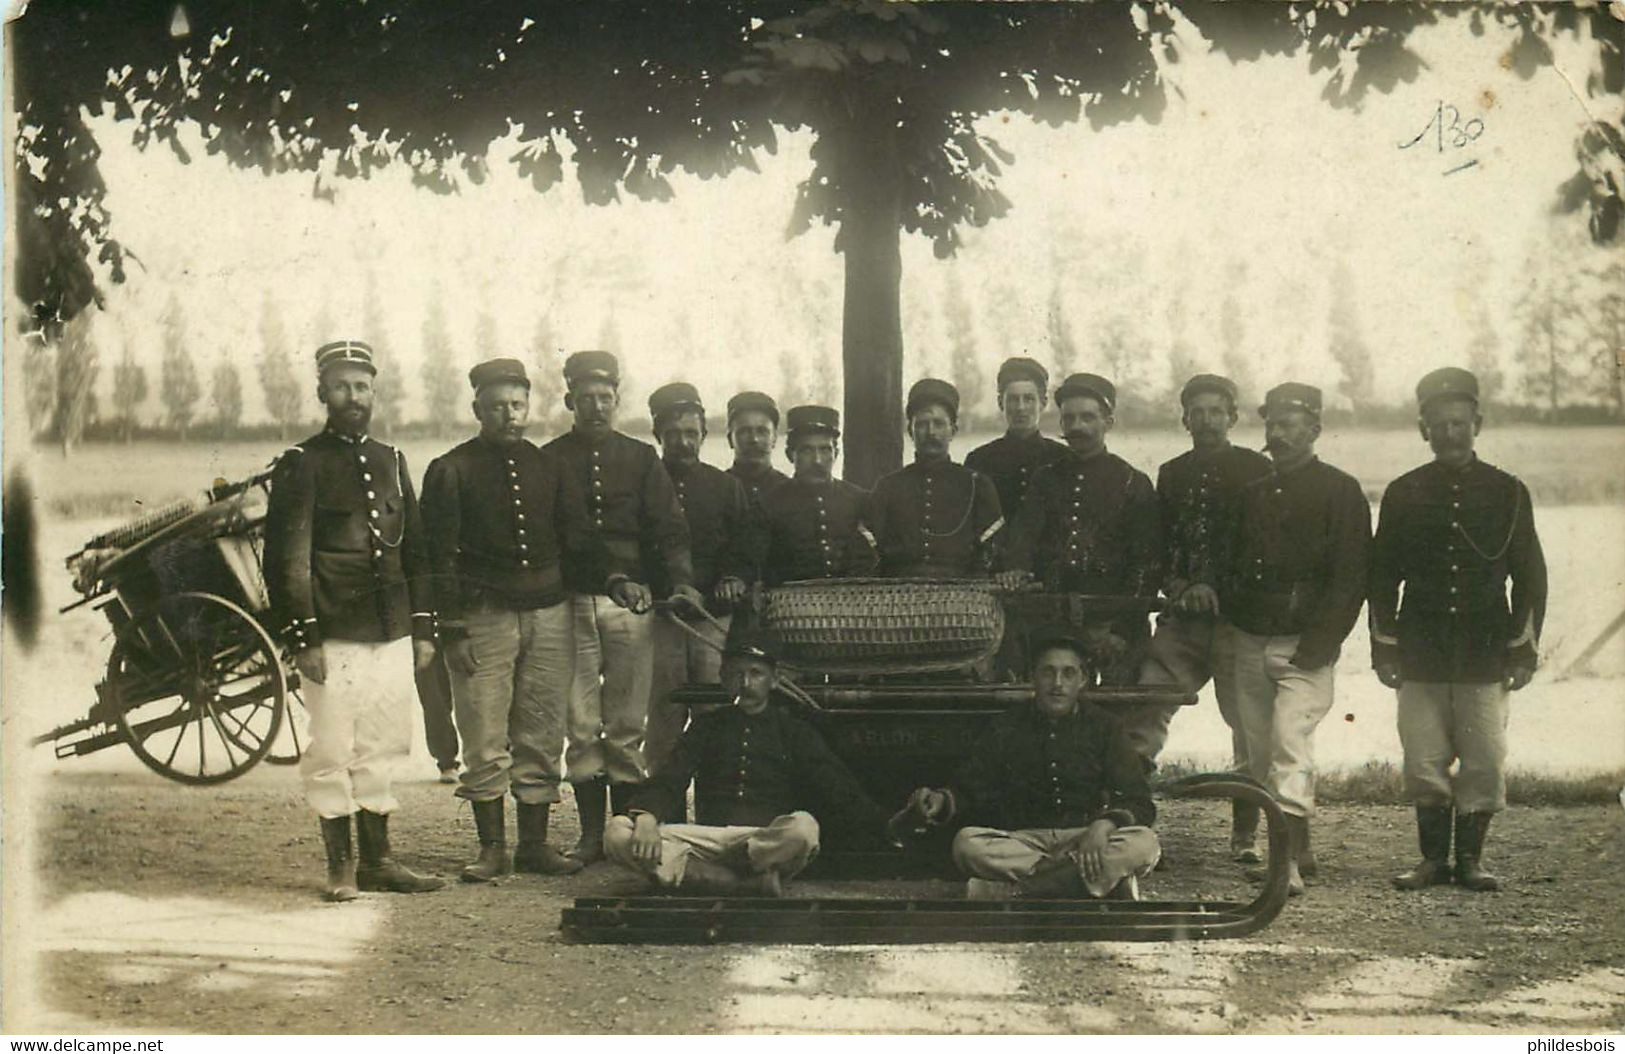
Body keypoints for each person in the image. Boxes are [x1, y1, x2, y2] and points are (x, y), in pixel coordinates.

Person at [262, 339, 444, 901]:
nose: (352, 396)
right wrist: (304, 638)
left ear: (374, 391)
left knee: (383, 744)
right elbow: (287, 561)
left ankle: (378, 861)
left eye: (361, 385)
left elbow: (415, 550)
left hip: (389, 632)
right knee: (332, 748)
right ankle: (340, 867)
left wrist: (423, 627)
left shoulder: (392, 461)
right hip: (333, 634)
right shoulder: (302, 463)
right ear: (322, 392)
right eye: (340, 386)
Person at [1371, 367, 1547, 893]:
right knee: (1423, 758)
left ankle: (1470, 860)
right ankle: (1432, 861)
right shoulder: (1404, 493)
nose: (1450, 433)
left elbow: (1531, 578)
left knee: (1485, 760)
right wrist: (1385, 648)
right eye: (1439, 425)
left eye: (1460, 423)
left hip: (1484, 650)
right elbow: (1382, 578)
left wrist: (1522, 650)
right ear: (1423, 429)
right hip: (1421, 651)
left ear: (1478, 423)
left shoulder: (1509, 492)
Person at [421, 358, 593, 882]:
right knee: (483, 732)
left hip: (548, 615)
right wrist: (450, 627)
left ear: (528, 405)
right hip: (483, 619)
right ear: (477, 408)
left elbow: (575, 541)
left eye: (516, 404)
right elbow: (438, 557)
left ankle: (534, 846)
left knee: (542, 730)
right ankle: (492, 847)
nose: (508, 415)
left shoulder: (549, 467)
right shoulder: (450, 469)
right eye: (496, 406)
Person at [541, 350, 704, 864]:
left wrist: (680, 581)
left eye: (605, 398)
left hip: (632, 605)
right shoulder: (550, 458)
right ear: (570, 400)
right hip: (571, 602)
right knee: (580, 720)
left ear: (616, 399)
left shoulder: (639, 459)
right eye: (585, 398)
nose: (596, 407)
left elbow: (670, 528)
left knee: (628, 723)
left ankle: (624, 828)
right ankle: (591, 835)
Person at [1217, 382, 1370, 897]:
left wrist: (1323, 640)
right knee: (1259, 754)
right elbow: (1231, 562)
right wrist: (1239, 623)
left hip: (1305, 645)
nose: (1277, 434)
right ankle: (1298, 848)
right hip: (1250, 640)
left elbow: (1351, 576)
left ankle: (1288, 867)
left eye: (1288, 424)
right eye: (1271, 424)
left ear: (1314, 430)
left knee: (1289, 743)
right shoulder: (1251, 494)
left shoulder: (1341, 491)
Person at [604, 627, 893, 894]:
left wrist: (888, 824)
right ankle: (740, 883)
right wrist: (646, 816)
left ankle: (696, 878)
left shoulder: (793, 730)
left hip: (764, 841)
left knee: (804, 829)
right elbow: (672, 776)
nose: (745, 684)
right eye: (736, 674)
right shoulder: (707, 725)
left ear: (775, 679)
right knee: (618, 832)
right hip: (708, 840)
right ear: (722, 677)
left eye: (756, 674)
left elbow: (836, 785)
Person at [1123, 374, 1273, 860]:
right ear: (1184, 418)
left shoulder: (1257, 470)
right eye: (1198, 412)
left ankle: (1245, 837)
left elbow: (1259, 549)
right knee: (1145, 706)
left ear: (1232, 417)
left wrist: (1218, 588)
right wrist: (1181, 586)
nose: (1207, 421)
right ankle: (1130, 820)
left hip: (1238, 620)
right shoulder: (1172, 473)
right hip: (1182, 621)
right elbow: (1157, 545)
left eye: (1217, 412)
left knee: (1248, 724)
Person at [904, 629, 1160, 900]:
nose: (1057, 683)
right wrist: (940, 801)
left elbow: (1139, 801)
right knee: (966, 844)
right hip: (1023, 842)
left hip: (1084, 837)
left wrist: (1103, 826)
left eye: (1068, 673)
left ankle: (1020, 890)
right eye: (1048, 672)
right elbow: (969, 788)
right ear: (1032, 678)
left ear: (1083, 680)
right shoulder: (1006, 726)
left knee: (1145, 844)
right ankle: (1087, 882)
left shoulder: (1105, 727)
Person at [1001, 372, 1162, 685]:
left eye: (1088, 418)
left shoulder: (1132, 482)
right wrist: (1015, 570)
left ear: (1108, 422)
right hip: (1052, 620)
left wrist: (1121, 631)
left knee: (1118, 714)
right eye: (1069, 419)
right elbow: (1023, 537)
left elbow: (1147, 563)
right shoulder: (1044, 479)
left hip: (1114, 621)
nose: (1077, 427)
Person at [643, 382, 756, 803]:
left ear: (704, 435)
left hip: (713, 619)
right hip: (663, 618)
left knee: (714, 710)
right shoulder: (645, 484)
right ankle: (663, 807)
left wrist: (732, 577)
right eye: (673, 434)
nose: (683, 442)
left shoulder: (725, 487)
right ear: (658, 436)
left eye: (691, 433)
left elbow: (744, 544)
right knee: (664, 713)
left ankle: (714, 804)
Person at [868, 378, 1004, 579]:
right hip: (897, 595)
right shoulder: (888, 487)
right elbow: (869, 552)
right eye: (922, 424)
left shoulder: (977, 484)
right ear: (910, 432)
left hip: (962, 595)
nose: (931, 432)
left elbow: (991, 550)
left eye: (939, 424)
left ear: (953, 431)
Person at [757, 405, 878, 585]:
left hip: (852, 600)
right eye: (807, 450)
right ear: (791, 455)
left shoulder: (859, 500)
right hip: (789, 602)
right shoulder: (769, 504)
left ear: (836, 453)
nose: (817, 460)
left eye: (825, 450)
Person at [964, 357, 1069, 517]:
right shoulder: (979, 461)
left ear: (1043, 403)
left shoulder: (1063, 458)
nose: (1021, 408)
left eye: (1029, 399)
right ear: (1001, 403)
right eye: (1013, 399)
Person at [724, 391, 791, 506]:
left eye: (762, 431)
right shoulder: (718, 489)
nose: (754, 439)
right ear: (730, 439)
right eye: (744, 431)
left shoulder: (790, 491)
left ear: (774, 438)